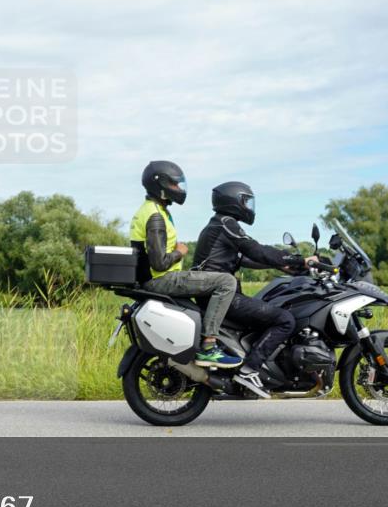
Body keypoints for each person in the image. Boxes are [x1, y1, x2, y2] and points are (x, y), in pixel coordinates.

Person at [191, 181, 319, 398]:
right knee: (285, 319)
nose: (249, 207)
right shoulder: (226, 223)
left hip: (213, 294)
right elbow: (257, 250)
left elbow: (247, 258)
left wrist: (285, 265)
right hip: (221, 296)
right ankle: (250, 370)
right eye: (246, 202)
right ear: (233, 201)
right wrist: (300, 260)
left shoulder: (219, 225)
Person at [130, 161, 242, 368]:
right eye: (174, 184)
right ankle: (209, 347)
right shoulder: (155, 216)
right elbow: (159, 263)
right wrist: (180, 252)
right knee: (226, 282)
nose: (179, 189)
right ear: (160, 185)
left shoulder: (151, 210)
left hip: (154, 278)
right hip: (160, 279)